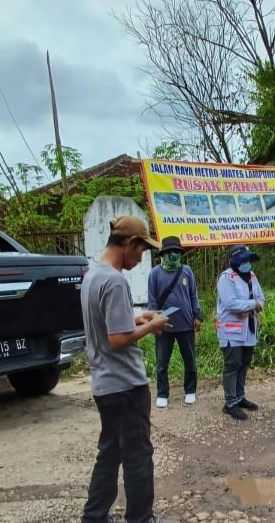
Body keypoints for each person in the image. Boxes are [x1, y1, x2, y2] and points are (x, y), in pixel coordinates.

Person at [80, 215, 172, 523]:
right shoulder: (115, 280)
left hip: (105, 385)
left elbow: (107, 325)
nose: (141, 257)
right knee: (138, 457)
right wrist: (155, 324)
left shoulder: (93, 274)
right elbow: (118, 339)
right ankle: (141, 518)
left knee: (110, 453)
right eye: (142, 250)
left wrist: (139, 317)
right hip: (125, 386)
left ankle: (94, 518)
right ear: (129, 244)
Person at [147, 236, 202, 408]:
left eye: (176, 252)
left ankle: (191, 391)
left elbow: (193, 294)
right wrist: (154, 323)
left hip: (186, 324)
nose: (173, 255)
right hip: (164, 326)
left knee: (190, 360)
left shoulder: (187, 271)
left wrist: (197, 316)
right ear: (163, 254)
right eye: (170, 252)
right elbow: (152, 300)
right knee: (162, 362)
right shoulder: (155, 273)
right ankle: (162, 393)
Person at [216, 245, 265, 421]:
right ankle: (230, 404)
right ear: (234, 262)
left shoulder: (252, 276)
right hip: (231, 331)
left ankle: (239, 396)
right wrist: (252, 305)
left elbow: (262, 299)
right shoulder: (226, 278)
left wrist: (252, 305)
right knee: (232, 365)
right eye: (243, 260)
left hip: (249, 329)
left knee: (244, 364)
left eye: (248, 260)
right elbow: (230, 303)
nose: (247, 263)